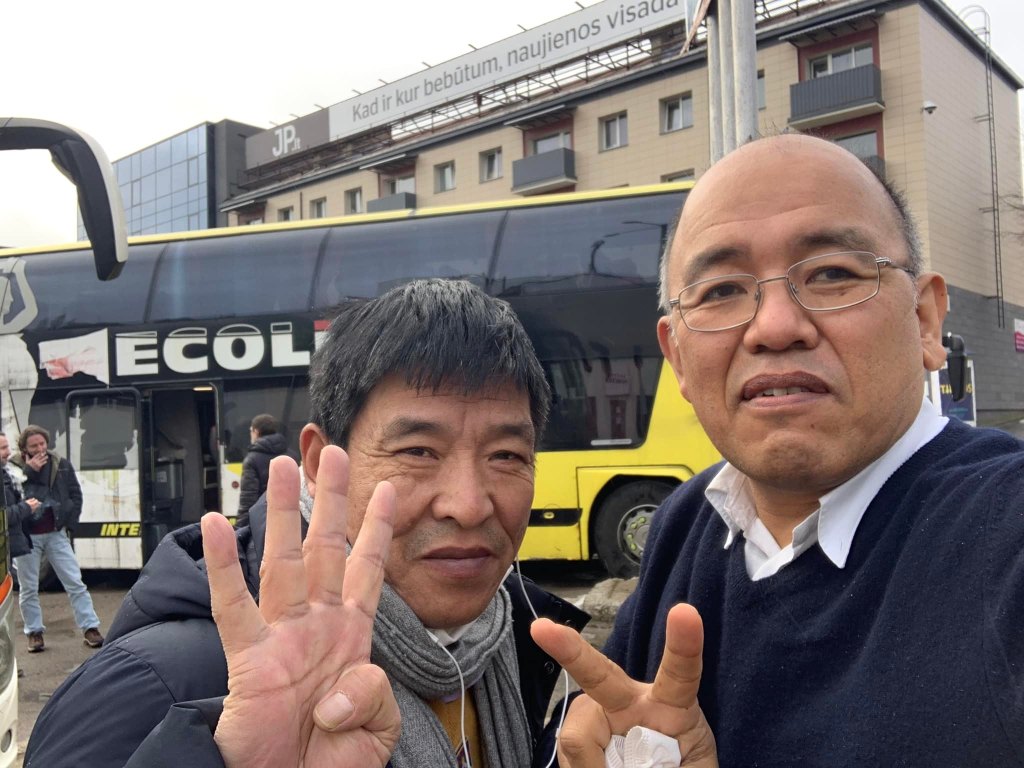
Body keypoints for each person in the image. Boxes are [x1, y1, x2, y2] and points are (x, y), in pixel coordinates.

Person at [529, 133, 1024, 766]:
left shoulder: (1004, 529)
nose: (775, 327)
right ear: (677, 357)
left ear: (925, 320)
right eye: (720, 291)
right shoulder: (687, 522)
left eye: (832, 274)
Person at [25, 278, 589, 768]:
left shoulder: (518, 642)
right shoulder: (156, 686)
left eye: (506, 455)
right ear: (318, 464)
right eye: (418, 451)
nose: (468, 505)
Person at [13, 425, 104, 653]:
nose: (40, 449)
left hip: (56, 533)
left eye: (42, 444)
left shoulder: (60, 463)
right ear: (24, 449)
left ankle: (90, 627)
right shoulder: (14, 468)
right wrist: (29, 471)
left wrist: (69, 525)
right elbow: (10, 495)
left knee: (75, 581)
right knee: (28, 588)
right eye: (34, 446)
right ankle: (34, 633)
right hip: (27, 537)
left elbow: (75, 494)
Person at [235, 413, 293, 528]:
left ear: (256, 431)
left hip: (262, 522)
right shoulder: (292, 455)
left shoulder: (252, 459)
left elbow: (248, 498)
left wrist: (241, 528)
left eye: (250, 431)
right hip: (290, 519)